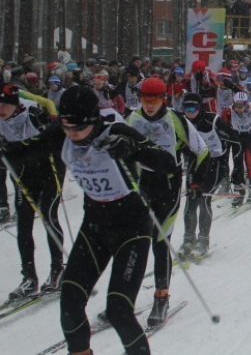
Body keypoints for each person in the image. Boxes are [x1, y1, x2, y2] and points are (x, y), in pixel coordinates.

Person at [0, 85, 180, 354]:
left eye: (77, 128)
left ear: (93, 120)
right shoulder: (60, 134)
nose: (71, 134)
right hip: (94, 225)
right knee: (70, 304)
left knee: (119, 309)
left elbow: (167, 163)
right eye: (66, 127)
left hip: (131, 228)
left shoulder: (116, 132)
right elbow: (24, 150)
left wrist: (134, 150)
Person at [127, 77, 208, 326]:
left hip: (169, 186)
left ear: (164, 99)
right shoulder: (132, 119)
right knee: (134, 242)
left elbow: (202, 149)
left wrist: (197, 183)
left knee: (160, 241)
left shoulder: (175, 120)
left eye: (154, 100)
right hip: (144, 185)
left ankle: (161, 298)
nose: (149, 105)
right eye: (144, 100)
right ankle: (124, 299)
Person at [0, 82, 64, 300]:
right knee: (24, 222)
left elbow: (55, 137)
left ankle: (57, 269)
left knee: (48, 215)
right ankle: (29, 277)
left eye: (3, 105)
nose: (0, 110)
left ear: (13, 103)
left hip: (49, 169)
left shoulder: (32, 112)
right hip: (23, 172)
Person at [178, 92, 238, 258]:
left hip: (215, 163)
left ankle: (203, 240)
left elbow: (235, 141)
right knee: (191, 199)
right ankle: (188, 239)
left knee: (204, 198)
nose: (190, 111)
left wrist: (236, 167)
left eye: (193, 107)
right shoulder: (182, 122)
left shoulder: (213, 120)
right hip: (194, 163)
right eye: (186, 107)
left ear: (200, 107)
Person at [220, 91, 251, 206]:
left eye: (241, 106)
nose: (238, 109)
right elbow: (221, 123)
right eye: (236, 106)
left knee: (248, 159)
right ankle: (239, 190)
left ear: (246, 104)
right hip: (237, 135)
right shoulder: (228, 111)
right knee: (237, 161)